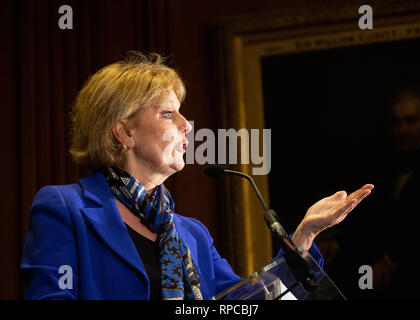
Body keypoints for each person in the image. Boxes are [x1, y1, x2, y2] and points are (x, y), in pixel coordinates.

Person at [20, 52, 373, 300]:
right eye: (168, 114)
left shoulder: (191, 234)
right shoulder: (65, 207)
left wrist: (303, 236)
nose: (186, 125)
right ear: (123, 132)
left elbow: (246, 303)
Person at [370, 86, 420, 298]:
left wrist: (391, 260)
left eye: (411, 120)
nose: (402, 129)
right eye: (397, 122)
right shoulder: (390, 163)